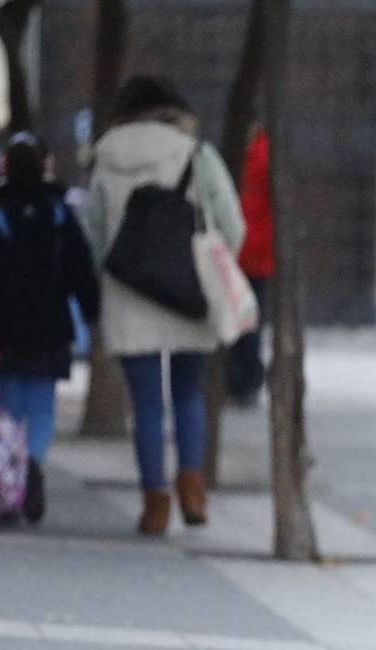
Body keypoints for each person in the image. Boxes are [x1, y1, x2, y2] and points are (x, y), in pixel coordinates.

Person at [81, 76, 246, 535]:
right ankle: (192, 488)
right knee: (189, 391)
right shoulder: (196, 154)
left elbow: (94, 232)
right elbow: (232, 224)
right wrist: (214, 261)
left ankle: (154, 503)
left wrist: (113, 269)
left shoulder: (104, 157)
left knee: (147, 405)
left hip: (129, 290)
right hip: (188, 289)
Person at [0, 134, 101, 524]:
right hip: (50, 323)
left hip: (4, 325)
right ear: (46, 165)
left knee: (7, 404)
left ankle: (6, 480)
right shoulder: (59, 210)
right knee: (41, 401)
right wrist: (92, 310)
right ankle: (34, 462)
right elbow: (80, 266)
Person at [228, 122, 273, 408]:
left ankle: (242, 378)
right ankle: (248, 379)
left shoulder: (246, 157)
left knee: (240, 321)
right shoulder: (264, 155)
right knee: (250, 320)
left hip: (241, 252)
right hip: (257, 255)